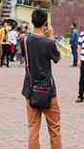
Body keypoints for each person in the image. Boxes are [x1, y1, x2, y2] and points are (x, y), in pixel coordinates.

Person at [22, 9, 61, 149]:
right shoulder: (48, 43)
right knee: (54, 129)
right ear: (46, 23)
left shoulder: (25, 40)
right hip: (48, 91)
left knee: (33, 128)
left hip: (30, 89)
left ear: (32, 21)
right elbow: (57, 57)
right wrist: (51, 37)